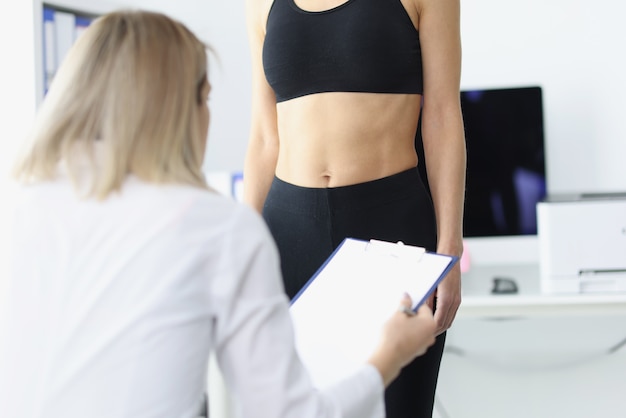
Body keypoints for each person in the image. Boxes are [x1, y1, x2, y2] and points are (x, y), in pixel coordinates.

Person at [0, 10, 438, 418]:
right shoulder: (214, 228)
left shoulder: (21, 206)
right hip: (299, 222)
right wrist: (389, 356)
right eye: (206, 99)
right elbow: (290, 412)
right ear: (173, 108)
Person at [243, 0, 466, 416]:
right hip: (286, 232)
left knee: (399, 405)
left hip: (391, 229)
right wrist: (238, 250)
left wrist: (450, 246)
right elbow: (263, 136)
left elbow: (442, 115)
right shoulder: (259, 4)